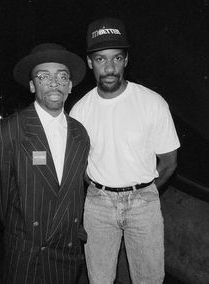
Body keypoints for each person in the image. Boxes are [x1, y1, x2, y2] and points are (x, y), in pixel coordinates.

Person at [70, 18, 180, 284]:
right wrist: (100, 187)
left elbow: (169, 162)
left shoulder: (152, 103)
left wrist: (143, 192)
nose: (109, 68)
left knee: (149, 279)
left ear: (126, 60)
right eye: (100, 59)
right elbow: (78, 165)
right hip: (97, 204)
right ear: (89, 62)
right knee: (99, 279)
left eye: (116, 58)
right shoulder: (79, 111)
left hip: (143, 203)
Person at [0, 43, 90, 284]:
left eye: (62, 76)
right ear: (32, 85)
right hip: (28, 253)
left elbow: (73, 194)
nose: (54, 83)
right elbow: (1, 202)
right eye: (44, 76)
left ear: (70, 85)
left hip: (67, 251)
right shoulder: (6, 133)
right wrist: (25, 235)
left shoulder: (80, 133)